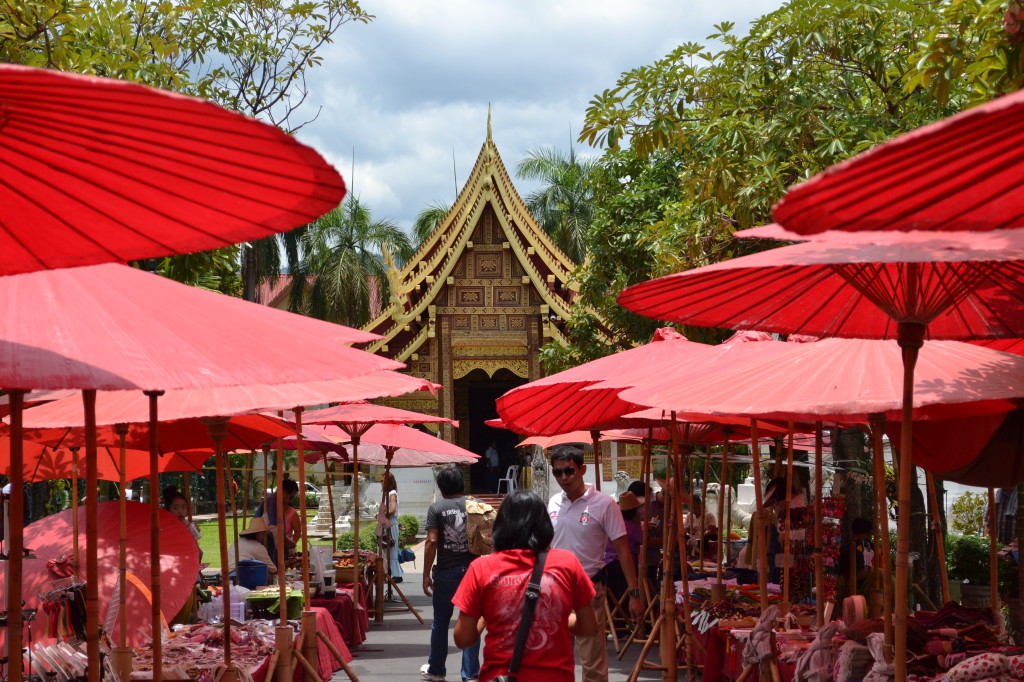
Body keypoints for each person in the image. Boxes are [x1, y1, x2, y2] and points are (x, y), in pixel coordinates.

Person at [453, 489, 598, 682]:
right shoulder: (567, 563)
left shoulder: (481, 568)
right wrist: (556, 616)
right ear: (544, 524)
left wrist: (490, 616)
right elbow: (588, 628)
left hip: (502, 676)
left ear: (501, 526)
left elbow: (463, 639)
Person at [547, 446, 642, 682]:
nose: (564, 478)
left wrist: (635, 592)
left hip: (587, 591)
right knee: (556, 661)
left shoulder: (604, 504)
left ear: (582, 469)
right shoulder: (553, 503)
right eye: (557, 473)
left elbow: (623, 550)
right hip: (556, 591)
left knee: (592, 662)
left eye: (569, 471)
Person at [421, 465, 481, 682]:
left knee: (440, 622)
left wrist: (426, 574)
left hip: (447, 572)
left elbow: (431, 541)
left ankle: (437, 669)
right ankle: (471, 674)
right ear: (461, 484)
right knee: (471, 621)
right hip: (474, 572)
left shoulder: (437, 508)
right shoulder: (477, 505)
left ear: (442, 486)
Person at [603, 490, 643, 609]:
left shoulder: (613, 523)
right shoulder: (631, 527)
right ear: (634, 512)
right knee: (623, 593)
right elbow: (643, 540)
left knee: (612, 593)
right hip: (624, 564)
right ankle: (622, 620)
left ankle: (613, 618)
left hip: (607, 563)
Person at [261, 478, 301, 559]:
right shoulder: (272, 504)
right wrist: (289, 543)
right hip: (268, 549)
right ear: (284, 492)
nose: (290, 501)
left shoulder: (274, 503)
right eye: (291, 497)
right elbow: (273, 530)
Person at [381, 472, 403, 583]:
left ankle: (396, 574)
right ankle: (389, 572)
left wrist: (381, 514)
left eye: (382, 481)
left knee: (392, 548)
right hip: (386, 523)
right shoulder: (388, 493)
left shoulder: (392, 493)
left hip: (390, 522)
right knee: (385, 548)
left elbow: (392, 510)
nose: (381, 483)